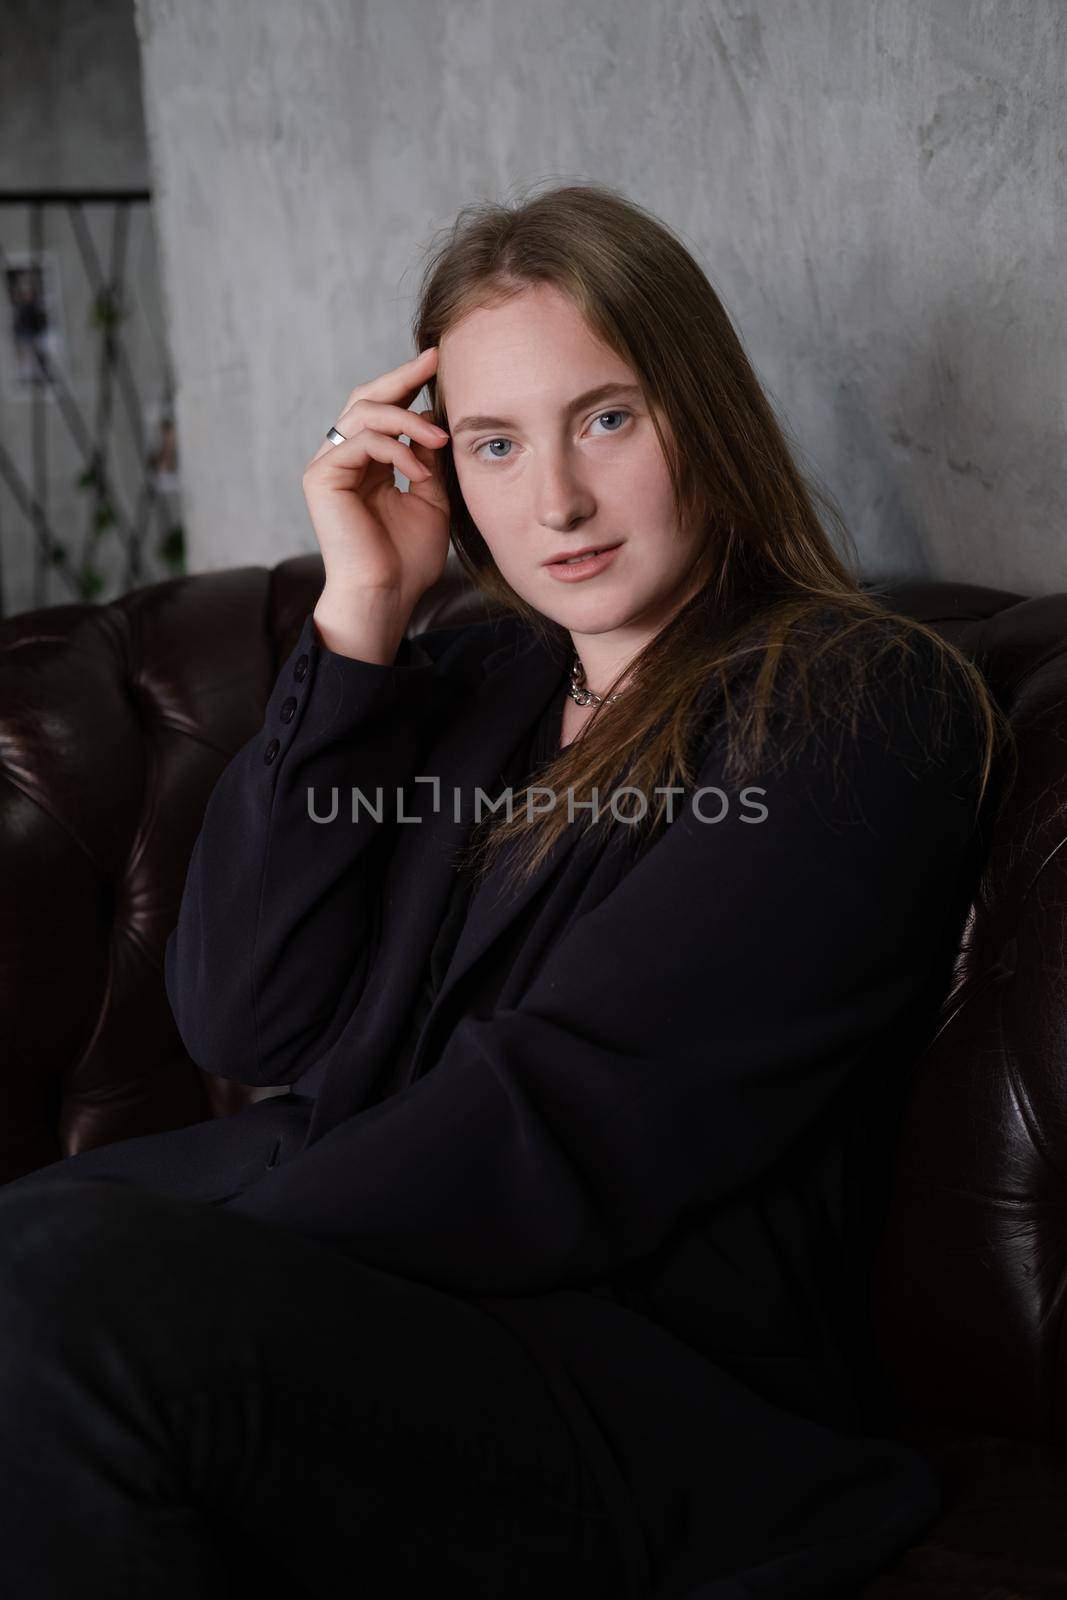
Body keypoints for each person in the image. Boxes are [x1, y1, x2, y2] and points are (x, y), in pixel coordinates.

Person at [1, 181, 1014, 1598]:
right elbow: (242, 1011)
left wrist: (164, 1250)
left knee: (60, 1293)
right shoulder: (478, 689)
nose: (556, 501)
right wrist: (362, 619)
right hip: (401, 1316)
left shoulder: (855, 700)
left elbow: (570, 1120)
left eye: (608, 417)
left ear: (705, 413)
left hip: (636, 1396)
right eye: (494, 442)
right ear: (444, 470)